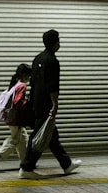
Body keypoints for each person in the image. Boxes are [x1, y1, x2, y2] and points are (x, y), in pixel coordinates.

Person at [18, 29, 82, 179]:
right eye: (58, 40)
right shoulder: (53, 61)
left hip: (36, 103)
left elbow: (33, 83)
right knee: (38, 136)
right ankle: (26, 167)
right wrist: (55, 105)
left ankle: (66, 164)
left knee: (51, 135)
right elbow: (52, 86)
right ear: (55, 43)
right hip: (46, 104)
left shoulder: (37, 58)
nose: (60, 43)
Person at [0, 63, 32, 171]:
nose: (29, 78)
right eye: (28, 75)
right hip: (16, 118)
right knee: (15, 140)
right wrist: (28, 103)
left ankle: (25, 162)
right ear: (23, 74)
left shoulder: (15, 84)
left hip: (12, 118)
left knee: (23, 139)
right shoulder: (22, 85)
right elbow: (18, 102)